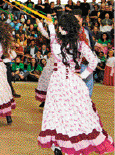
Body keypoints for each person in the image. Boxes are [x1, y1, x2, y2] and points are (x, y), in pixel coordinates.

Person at [38, 14, 114, 155]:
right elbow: (94, 61)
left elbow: (52, 36)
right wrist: (84, 75)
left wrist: (49, 24)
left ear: (61, 27)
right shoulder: (80, 44)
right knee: (76, 114)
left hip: (57, 83)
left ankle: (60, 146)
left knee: (57, 114)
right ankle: (71, 146)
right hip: (74, 82)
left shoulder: (56, 43)